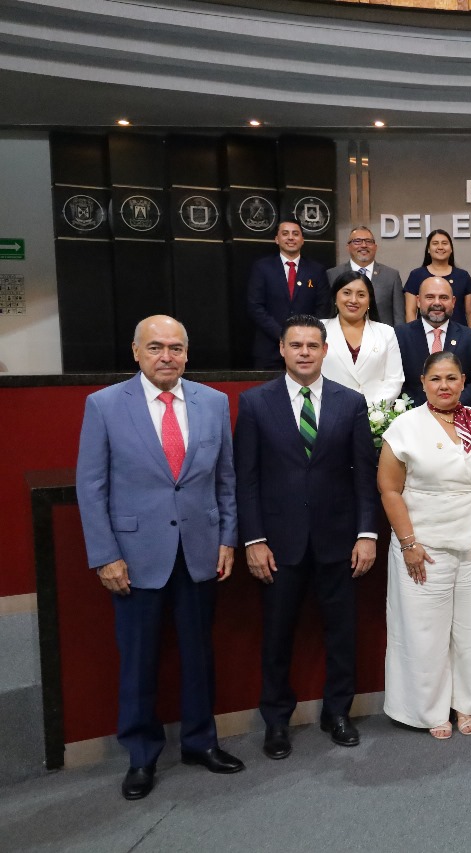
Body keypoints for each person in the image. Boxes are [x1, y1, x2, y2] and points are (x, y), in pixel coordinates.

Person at [75, 315, 242, 800]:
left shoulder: (213, 402)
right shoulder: (105, 404)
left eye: (175, 348)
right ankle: (141, 756)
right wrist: (105, 555)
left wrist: (228, 538)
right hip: (133, 556)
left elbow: (225, 479)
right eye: (155, 347)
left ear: (187, 353)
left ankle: (200, 743)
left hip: (200, 550)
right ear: (136, 352)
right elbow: (91, 486)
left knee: (199, 656)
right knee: (138, 661)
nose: (166, 356)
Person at [234, 314, 380, 759]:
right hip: (279, 544)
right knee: (277, 636)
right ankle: (277, 721)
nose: (304, 352)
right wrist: (253, 540)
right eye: (295, 345)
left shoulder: (350, 402)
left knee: (342, 634)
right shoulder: (254, 403)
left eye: (312, 345)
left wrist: (367, 533)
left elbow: (364, 475)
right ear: (281, 348)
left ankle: (338, 713)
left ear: (324, 350)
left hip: (339, 540)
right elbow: (247, 479)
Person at [378, 351, 471, 738]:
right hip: (423, 544)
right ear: (422, 383)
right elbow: (389, 489)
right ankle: (430, 709)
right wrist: (408, 543)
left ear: (464, 381)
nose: (444, 386)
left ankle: (468, 702)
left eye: (452, 378)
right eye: (435, 379)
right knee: (425, 632)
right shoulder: (405, 427)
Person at [246, 218, 329, 368]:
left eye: (295, 234)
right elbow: (255, 307)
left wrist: (303, 336)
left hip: (306, 350)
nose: (291, 237)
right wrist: (283, 335)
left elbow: (323, 308)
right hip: (269, 350)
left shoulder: (316, 270)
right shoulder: (262, 268)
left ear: (302, 240)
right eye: (285, 234)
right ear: (277, 239)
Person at [320, 270, 405, 406]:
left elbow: (394, 380)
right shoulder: (318, 329)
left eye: (361, 295)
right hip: (328, 409)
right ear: (335, 297)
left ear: (369, 300)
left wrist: (373, 410)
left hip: (374, 411)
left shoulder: (386, 332)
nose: (353, 300)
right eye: (347, 293)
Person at [396, 276, 471, 408]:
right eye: (430, 297)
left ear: (453, 302)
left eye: (443, 297)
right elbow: (394, 380)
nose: (437, 303)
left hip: (457, 413)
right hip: (412, 413)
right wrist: (423, 410)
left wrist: (450, 406)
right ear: (418, 301)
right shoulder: (399, 336)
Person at [327, 225, 404, 328]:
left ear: (375, 247)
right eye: (357, 241)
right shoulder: (332, 274)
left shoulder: (391, 276)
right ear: (348, 247)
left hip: (382, 336)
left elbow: (399, 317)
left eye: (368, 241)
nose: (363, 245)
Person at [404, 229, 471, 327]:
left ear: (451, 249)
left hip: (459, 334)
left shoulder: (463, 276)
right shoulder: (416, 275)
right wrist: (412, 334)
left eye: (444, 243)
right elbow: (410, 312)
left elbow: (470, 313)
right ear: (428, 249)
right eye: (435, 243)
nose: (440, 247)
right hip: (424, 334)